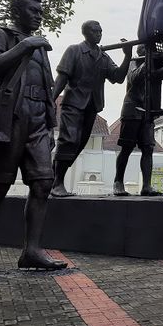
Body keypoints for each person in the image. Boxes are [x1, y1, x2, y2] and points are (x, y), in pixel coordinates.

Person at [0, 0, 67, 275]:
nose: (39, 15)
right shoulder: (2, 35)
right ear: (16, 12)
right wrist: (24, 45)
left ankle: (32, 251)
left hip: (37, 121)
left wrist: (50, 126)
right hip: (9, 118)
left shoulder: (41, 47)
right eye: (33, 11)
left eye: (41, 11)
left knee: (42, 185)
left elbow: (49, 88)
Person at [51, 21, 131, 197]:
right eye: (95, 31)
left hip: (91, 106)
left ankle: (54, 177)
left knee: (79, 144)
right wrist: (51, 100)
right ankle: (57, 183)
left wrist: (127, 56)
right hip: (73, 104)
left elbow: (117, 77)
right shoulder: (74, 50)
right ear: (85, 32)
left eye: (101, 31)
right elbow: (62, 77)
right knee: (68, 140)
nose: (99, 34)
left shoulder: (103, 56)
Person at [113, 45, 163, 196]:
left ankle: (146, 185)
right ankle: (118, 182)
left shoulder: (150, 63)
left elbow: (156, 75)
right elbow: (134, 78)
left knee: (148, 148)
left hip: (147, 112)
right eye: (147, 50)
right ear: (141, 52)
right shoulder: (133, 63)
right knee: (127, 147)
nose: (149, 52)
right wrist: (148, 61)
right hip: (132, 110)